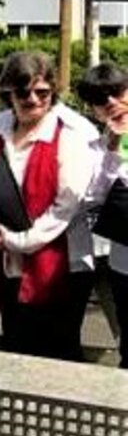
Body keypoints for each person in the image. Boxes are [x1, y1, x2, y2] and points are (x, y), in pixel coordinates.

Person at [0, 51, 94, 360]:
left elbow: (67, 204)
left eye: (42, 92)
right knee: (18, 350)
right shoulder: (0, 125)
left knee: (57, 355)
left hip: (61, 265)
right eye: (23, 92)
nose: (33, 99)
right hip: (8, 262)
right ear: (8, 92)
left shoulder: (70, 132)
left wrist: (21, 241)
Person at [74, 61, 128, 367]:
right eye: (99, 99)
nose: (111, 103)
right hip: (125, 263)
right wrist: (113, 149)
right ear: (93, 111)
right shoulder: (95, 150)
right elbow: (92, 196)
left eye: (118, 92)